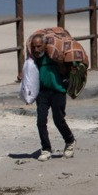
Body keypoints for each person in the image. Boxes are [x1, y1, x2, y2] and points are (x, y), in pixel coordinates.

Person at [30, 33, 76, 161]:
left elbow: (64, 72)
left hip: (58, 91)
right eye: (34, 47)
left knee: (58, 119)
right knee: (40, 122)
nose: (36, 49)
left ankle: (70, 141)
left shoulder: (54, 56)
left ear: (45, 45)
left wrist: (61, 62)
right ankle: (46, 149)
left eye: (39, 46)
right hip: (42, 93)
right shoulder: (34, 59)